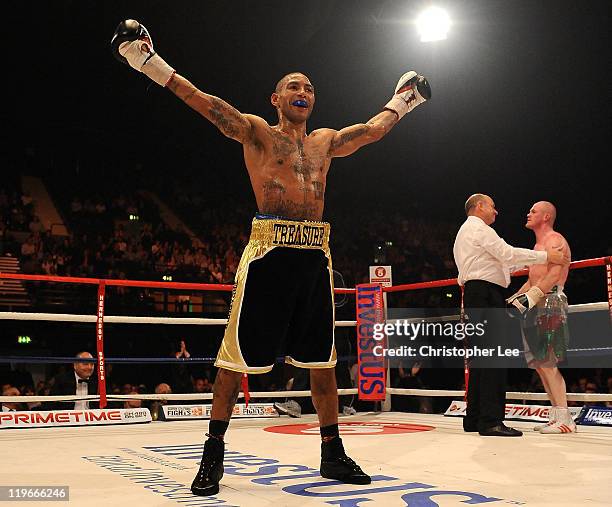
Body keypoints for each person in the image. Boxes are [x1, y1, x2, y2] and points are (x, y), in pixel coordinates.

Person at [112, 19, 431, 496]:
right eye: (292, 86)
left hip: (314, 256)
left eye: (309, 87)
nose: (302, 91)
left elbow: (371, 131)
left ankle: (331, 452)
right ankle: (212, 454)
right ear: (275, 99)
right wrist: (148, 62)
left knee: (322, 361)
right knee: (233, 361)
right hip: (268, 253)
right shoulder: (258, 133)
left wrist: (404, 99)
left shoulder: (325, 141)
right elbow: (207, 104)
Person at [453, 194, 568, 437]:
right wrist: (547, 257)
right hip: (485, 293)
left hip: (479, 293)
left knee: (482, 358)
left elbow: (503, 264)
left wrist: (521, 294)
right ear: (480, 206)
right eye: (493, 207)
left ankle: (474, 418)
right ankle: (491, 421)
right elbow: (506, 254)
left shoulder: (465, 232)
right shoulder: (479, 229)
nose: (496, 212)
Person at [508, 201, 575, 433]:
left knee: (548, 362)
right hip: (537, 304)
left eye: (533, 211)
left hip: (550, 303)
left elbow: (555, 275)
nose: (528, 213)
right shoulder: (538, 245)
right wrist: (517, 297)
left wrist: (533, 295)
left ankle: (566, 419)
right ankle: (556, 415)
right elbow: (532, 279)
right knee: (539, 364)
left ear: (546, 217)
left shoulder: (555, 241)